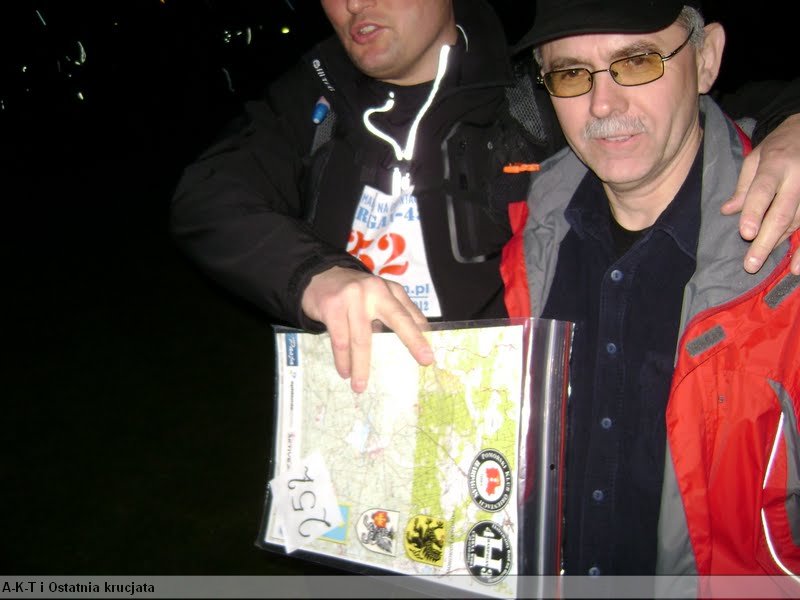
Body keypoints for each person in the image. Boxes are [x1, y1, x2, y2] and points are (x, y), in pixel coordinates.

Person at [170, 0, 800, 394]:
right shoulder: (313, 94)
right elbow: (209, 194)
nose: (355, 4)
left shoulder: (534, 89)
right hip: (351, 434)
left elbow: (682, 111)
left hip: (501, 448)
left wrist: (791, 123)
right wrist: (315, 275)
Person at [507, 0, 800, 585]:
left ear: (707, 59)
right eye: (571, 73)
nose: (603, 104)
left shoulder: (788, 257)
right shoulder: (521, 232)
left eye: (637, 61)